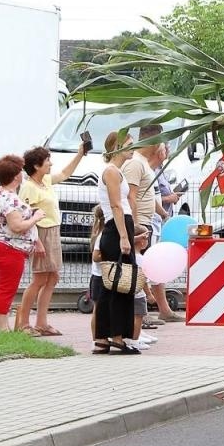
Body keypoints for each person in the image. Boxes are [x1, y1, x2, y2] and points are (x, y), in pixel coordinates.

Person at [11, 139, 90, 336]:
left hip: (53, 230)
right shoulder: (29, 187)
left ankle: (42, 322)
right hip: (41, 233)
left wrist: (80, 154)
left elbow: (64, 174)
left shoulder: (44, 181)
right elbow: (26, 216)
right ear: (37, 166)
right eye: (47, 161)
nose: (51, 164)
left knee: (53, 277)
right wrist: (36, 241)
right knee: (39, 278)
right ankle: (23, 323)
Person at [123, 125, 181, 325]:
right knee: (140, 269)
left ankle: (150, 311)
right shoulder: (135, 164)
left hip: (148, 223)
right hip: (141, 224)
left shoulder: (145, 165)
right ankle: (140, 314)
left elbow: (148, 194)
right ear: (155, 142)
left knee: (148, 266)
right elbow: (131, 196)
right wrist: (135, 225)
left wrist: (163, 214)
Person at [92, 131, 140, 354]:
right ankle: (116, 337)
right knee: (118, 281)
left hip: (120, 225)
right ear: (116, 147)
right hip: (116, 226)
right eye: (128, 145)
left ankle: (104, 338)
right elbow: (116, 205)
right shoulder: (111, 171)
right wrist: (123, 236)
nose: (133, 149)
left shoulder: (117, 171)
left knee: (114, 282)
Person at [0, 155, 43, 331]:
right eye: (20, 171)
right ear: (16, 176)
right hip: (10, 249)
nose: (23, 173)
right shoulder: (10, 199)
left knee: (4, 286)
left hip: (1, 246)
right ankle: (3, 328)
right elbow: (17, 226)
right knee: (7, 288)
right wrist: (36, 217)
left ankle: (4, 326)